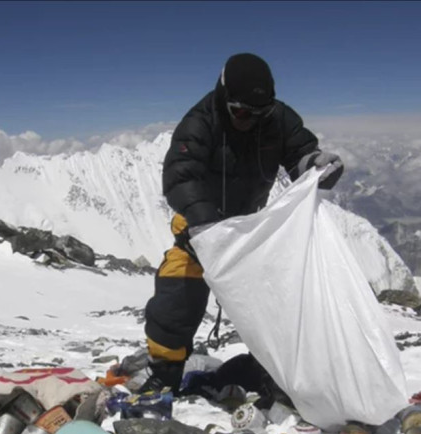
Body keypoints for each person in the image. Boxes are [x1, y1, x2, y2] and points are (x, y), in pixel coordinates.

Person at [139, 52, 344, 394]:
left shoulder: (278, 119)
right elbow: (179, 176)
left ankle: (272, 370)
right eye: (242, 111)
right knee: (177, 298)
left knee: (277, 301)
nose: (249, 119)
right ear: (223, 96)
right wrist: (204, 225)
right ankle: (165, 372)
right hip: (198, 231)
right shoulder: (200, 123)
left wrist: (316, 165)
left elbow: (300, 153)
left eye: (259, 112)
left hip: (251, 231)